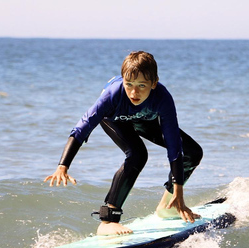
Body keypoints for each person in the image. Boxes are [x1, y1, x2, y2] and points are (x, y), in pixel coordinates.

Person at [44, 51, 203, 236]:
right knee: (137, 154)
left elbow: (174, 143)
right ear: (123, 80)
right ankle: (108, 220)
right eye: (129, 85)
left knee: (192, 152)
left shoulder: (162, 98)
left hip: (145, 118)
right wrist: (63, 165)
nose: (134, 92)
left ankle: (168, 206)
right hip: (114, 119)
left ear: (154, 83)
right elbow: (82, 128)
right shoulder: (112, 95)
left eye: (141, 85)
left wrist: (179, 192)